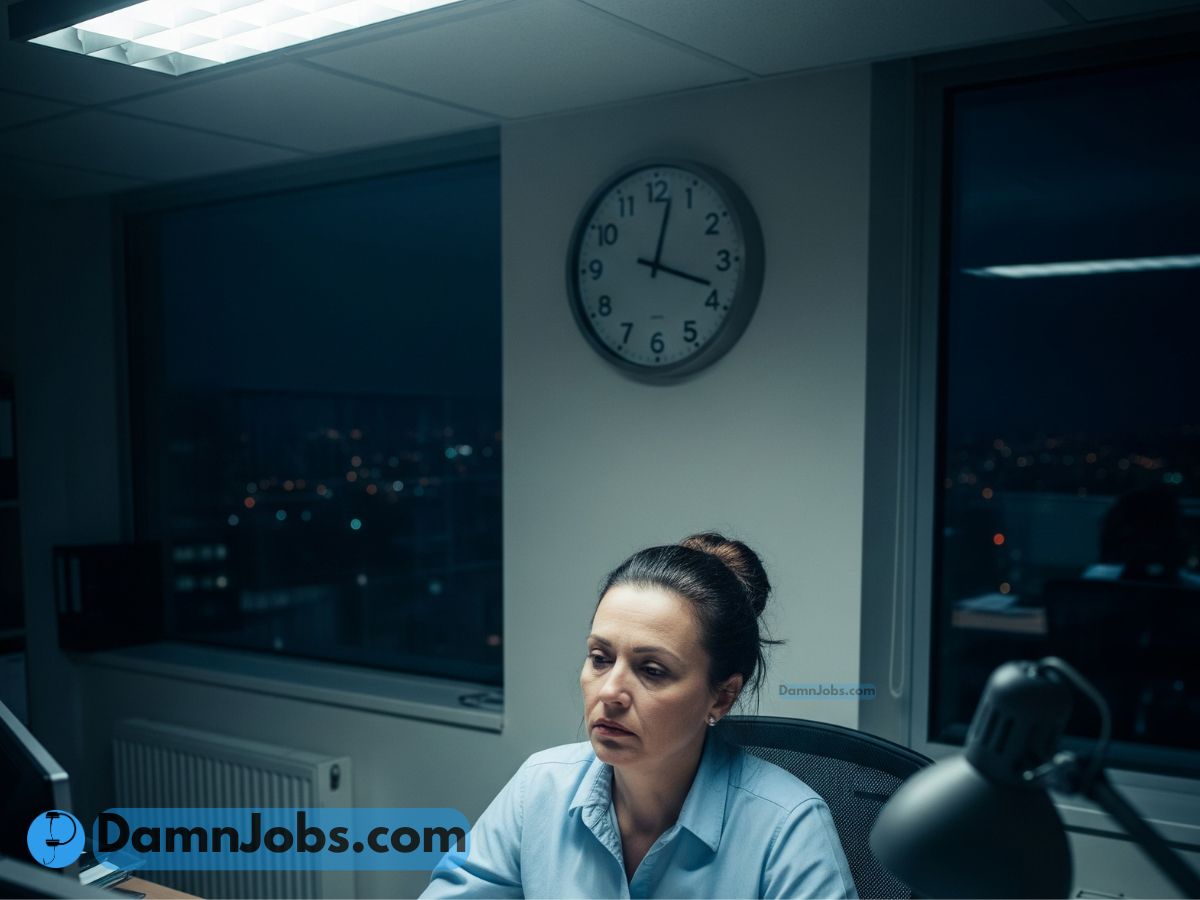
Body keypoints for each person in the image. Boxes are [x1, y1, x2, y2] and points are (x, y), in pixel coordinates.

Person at [420, 532, 858, 899]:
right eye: (599, 658)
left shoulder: (787, 828)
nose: (610, 692)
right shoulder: (539, 787)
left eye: (652, 670)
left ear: (721, 698)